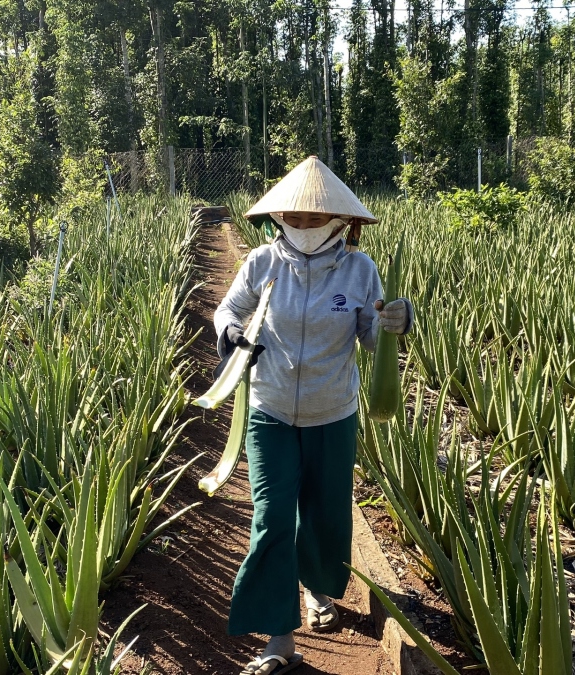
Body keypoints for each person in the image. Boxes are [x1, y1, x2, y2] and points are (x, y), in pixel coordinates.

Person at [214, 156, 415, 675]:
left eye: (314, 218)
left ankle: (318, 591)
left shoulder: (359, 269)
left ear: (339, 221)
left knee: (326, 515)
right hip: (270, 411)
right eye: (294, 218)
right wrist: (232, 336)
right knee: (272, 519)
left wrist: (397, 321)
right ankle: (279, 639)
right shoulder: (261, 263)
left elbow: (372, 339)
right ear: (278, 218)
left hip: (334, 414)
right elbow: (229, 310)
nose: (303, 226)